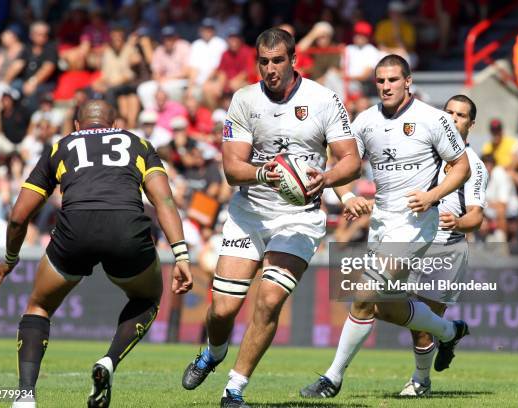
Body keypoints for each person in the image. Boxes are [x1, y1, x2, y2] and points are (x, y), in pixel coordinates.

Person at [180, 28, 361, 408]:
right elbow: (232, 168)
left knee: (270, 298)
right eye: (263, 61)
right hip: (249, 215)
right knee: (223, 309)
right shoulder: (244, 100)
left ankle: (234, 389)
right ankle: (213, 353)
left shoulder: (324, 100)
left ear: (294, 60)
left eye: (278, 60)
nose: (270, 68)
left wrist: (326, 179)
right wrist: (265, 173)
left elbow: (351, 160)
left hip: (299, 218)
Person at [0, 100, 193, 408]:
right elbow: (164, 200)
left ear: (77, 126)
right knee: (147, 298)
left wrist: (10, 259)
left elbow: (18, 216)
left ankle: (25, 396)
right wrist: (181, 256)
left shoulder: (62, 146)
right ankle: (109, 361)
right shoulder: (138, 144)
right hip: (127, 230)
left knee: (39, 306)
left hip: (75, 230)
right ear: (117, 122)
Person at [300, 55, 471, 399]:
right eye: (380, 81)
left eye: (393, 80)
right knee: (387, 306)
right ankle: (450, 331)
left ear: (408, 81)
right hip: (382, 223)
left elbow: (461, 166)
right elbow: (343, 165)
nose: (386, 86)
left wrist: (432, 195)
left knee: (363, 297)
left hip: (416, 224)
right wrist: (347, 196)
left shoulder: (433, 119)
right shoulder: (365, 121)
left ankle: (331, 379)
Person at [397, 94, 488, 396]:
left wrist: (458, 222)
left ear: (471, 124)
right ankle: (450, 334)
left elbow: (476, 216)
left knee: (422, 319)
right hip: (416, 243)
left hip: (447, 248)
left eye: (460, 115)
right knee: (413, 316)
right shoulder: (425, 152)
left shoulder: (473, 164)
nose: (452, 118)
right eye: (448, 112)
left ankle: (420, 381)